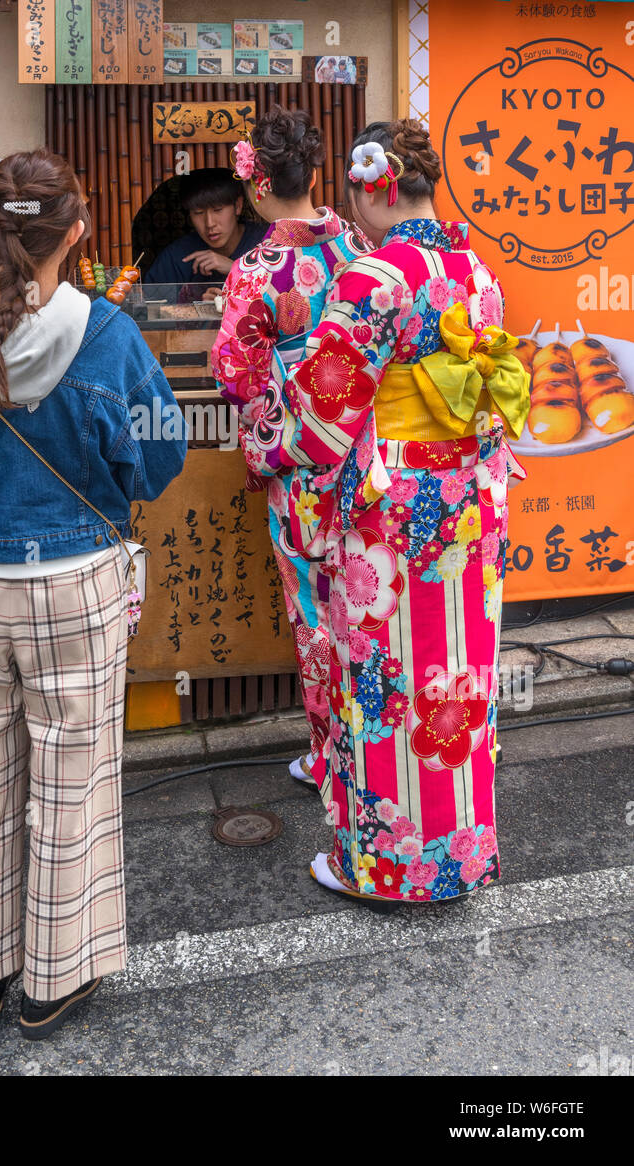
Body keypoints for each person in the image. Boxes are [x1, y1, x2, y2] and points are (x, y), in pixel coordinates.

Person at [0, 149, 186, 1038]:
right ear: (78, 232)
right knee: (71, 780)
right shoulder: (109, 336)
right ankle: (53, 980)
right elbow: (159, 454)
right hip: (78, 585)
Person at [240, 119, 530, 902]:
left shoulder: (376, 278)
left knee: (383, 679)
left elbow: (322, 408)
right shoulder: (476, 266)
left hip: (393, 514)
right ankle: (463, 852)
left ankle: (391, 865)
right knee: (458, 679)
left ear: (374, 186)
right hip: (470, 503)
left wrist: (265, 444)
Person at [211, 105, 372, 805]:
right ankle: (370, 746)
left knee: (313, 612)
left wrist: (285, 379)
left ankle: (329, 757)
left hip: (304, 467)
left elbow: (234, 374)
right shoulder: (361, 249)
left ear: (259, 187)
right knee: (364, 606)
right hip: (366, 458)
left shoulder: (258, 269)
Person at [143, 168, 266, 288]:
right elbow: (150, 303)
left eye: (218, 210)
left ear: (238, 206)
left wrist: (235, 269)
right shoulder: (177, 258)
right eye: (198, 213)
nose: (209, 223)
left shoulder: (266, 242)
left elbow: (282, 294)